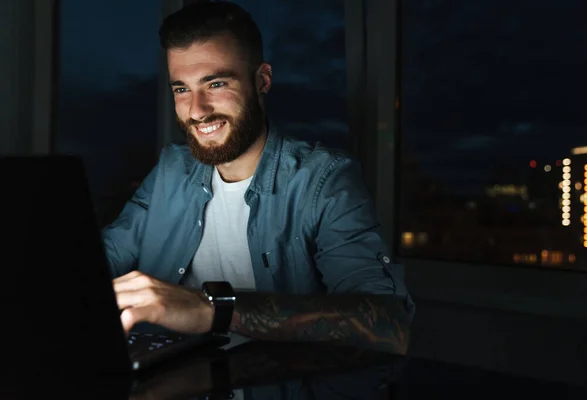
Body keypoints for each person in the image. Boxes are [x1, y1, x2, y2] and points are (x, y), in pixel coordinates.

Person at [104, 1, 414, 355]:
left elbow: (390, 325)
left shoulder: (323, 180)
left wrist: (212, 311)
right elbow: (105, 256)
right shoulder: (171, 169)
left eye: (216, 83)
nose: (196, 110)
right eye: (181, 89)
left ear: (262, 80)